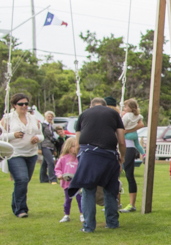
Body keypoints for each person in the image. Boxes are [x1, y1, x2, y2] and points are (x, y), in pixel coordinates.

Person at [73, 97, 126, 233]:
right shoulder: (114, 114)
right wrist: (122, 157)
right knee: (110, 189)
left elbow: (77, 143)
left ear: (91, 106)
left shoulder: (83, 115)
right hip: (109, 155)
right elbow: (121, 141)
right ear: (106, 106)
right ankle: (112, 222)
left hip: (89, 154)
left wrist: (80, 160)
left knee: (88, 190)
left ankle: (89, 227)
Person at [0, 93, 42, 217]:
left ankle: (16, 205)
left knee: (24, 181)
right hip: (15, 153)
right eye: (20, 104)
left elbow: (41, 134)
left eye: (26, 104)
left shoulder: (33, 118)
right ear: (14, 105)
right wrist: (13, 135)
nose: (24, 106)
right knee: (21, 179)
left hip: (31, 153)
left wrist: (37, 138)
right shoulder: (7, 118)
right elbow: (0, 136)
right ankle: (21, 209)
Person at [120, 99, 145, 213]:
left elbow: (122, 128)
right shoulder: (133, 116)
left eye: (126, 106)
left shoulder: (127, 117)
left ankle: (132, 204)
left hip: (128, 147)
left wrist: (125, 130)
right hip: (124, 146)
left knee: (129, 175)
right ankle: (116, 202)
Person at [55, 136, 83, 223]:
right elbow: (57, 169)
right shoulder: (63, 158)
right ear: (68, 146)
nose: (75, 148)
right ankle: (66, 215)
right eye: (73, 146)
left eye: (76, 146)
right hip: (67, 184)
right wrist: (60, 176)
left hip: (77, 184)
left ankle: (82, 214)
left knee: (80, 199)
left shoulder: (80, 157)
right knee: (68, 200)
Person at [39, 111, 60, 184]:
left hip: (50, 146)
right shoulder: (43, 125)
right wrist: (39, 148)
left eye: (51, 117)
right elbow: (40, 136)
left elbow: (53, 138)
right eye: (49, 116)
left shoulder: (51, 126)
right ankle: (53, 179)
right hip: (44, 145)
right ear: (45, 117)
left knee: (44, 163)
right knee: (51, 162)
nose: (50, 118)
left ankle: (43, 179)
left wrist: (54, 149)